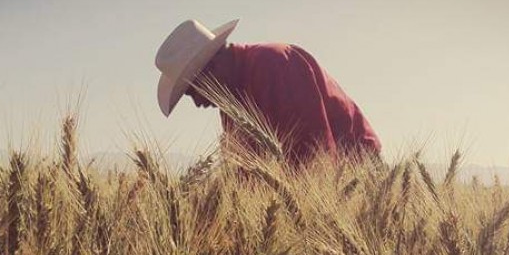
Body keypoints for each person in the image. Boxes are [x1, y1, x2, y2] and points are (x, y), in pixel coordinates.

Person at [155, 19, 381, 164]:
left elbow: (314, 155)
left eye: (193, 90)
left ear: (212, 68)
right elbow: (244, 174)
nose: (197, 103)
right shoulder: (232, 103)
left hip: (357, 177)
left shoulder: (272, 64)